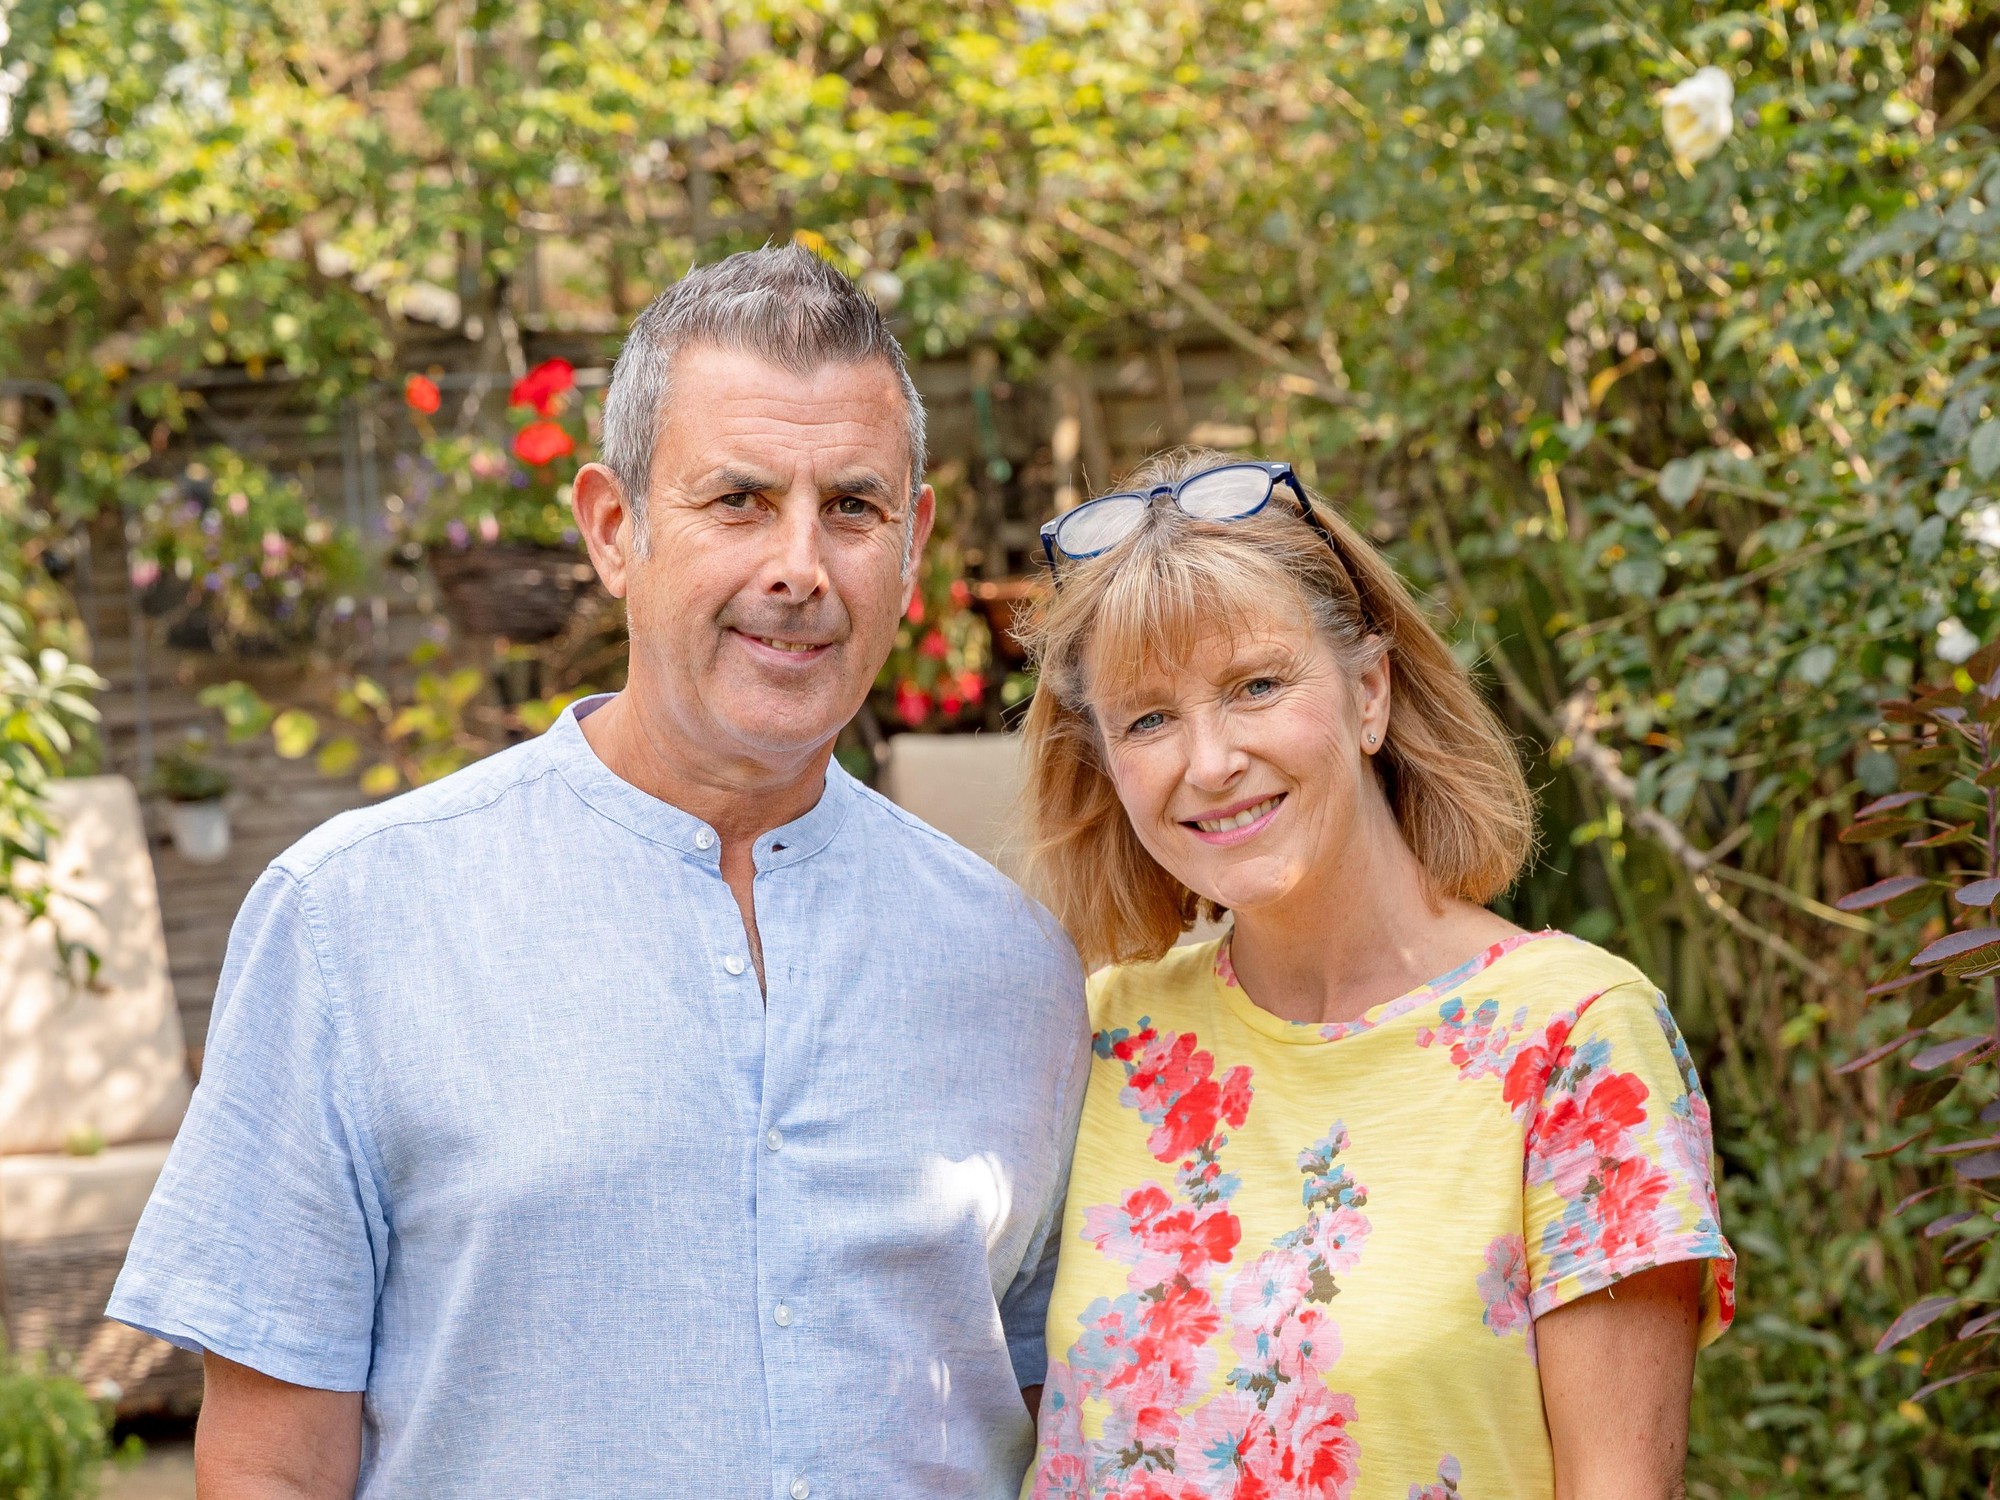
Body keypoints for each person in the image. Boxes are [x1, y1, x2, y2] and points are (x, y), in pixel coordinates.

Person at [107, 245, 1089, 1499]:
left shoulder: (1014, 963)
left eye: (852, 507)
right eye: (736, 500)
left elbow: (1042, 1407)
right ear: (613, 529)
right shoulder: (351, 923)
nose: (799, 566)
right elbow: (268, 1467)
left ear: (913, 547)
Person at [1016, 450, 1734, 1499]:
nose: (1207, 761)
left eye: (1255, 685)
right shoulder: (1102, 1036)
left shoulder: (1577, 1041)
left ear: (1368, 692)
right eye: (1149, 718)